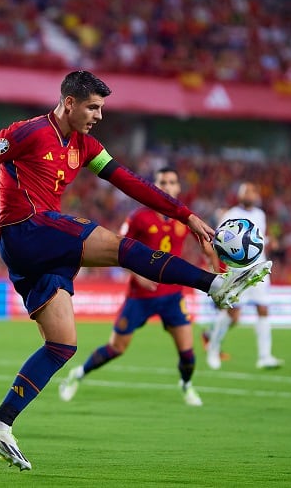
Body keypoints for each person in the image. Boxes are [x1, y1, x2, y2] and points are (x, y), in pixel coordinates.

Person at [0, 71, 272, 471]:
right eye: (93, 107)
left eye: (102, 107)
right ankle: (215, 284)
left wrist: (186, 215)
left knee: (62, 344)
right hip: (28, 229)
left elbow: (129, 181)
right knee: (121, 248)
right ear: (69, 103)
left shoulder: (86, 146)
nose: (99, 115)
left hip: (43, 252)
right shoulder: (28, 132)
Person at [57, 167, 222, 408]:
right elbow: (119, 250)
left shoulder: (185, 219)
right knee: (116, 347)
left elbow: (205, 249)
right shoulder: (138, 218)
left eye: (172, 182)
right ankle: (78, 374)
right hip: (140, 296)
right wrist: (139, 276)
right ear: (155, 187)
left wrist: (214, 266)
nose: (167, 186)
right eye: (162, 182)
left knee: (188, 353)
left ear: (178, 188)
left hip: (172, 296)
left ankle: (186, 386)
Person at [203, 182, 282, 370]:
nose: (252, 194)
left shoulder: (260, 215)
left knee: (263, 309)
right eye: (247, 191)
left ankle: (265, 357)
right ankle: (213, 348)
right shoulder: (231, 215)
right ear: (240, 195)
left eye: (254, 191)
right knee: (233, 314)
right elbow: (218, 242)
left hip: (260, 269)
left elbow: (256, 239)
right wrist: (216, 268)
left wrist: (270, 242)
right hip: (239, 271)